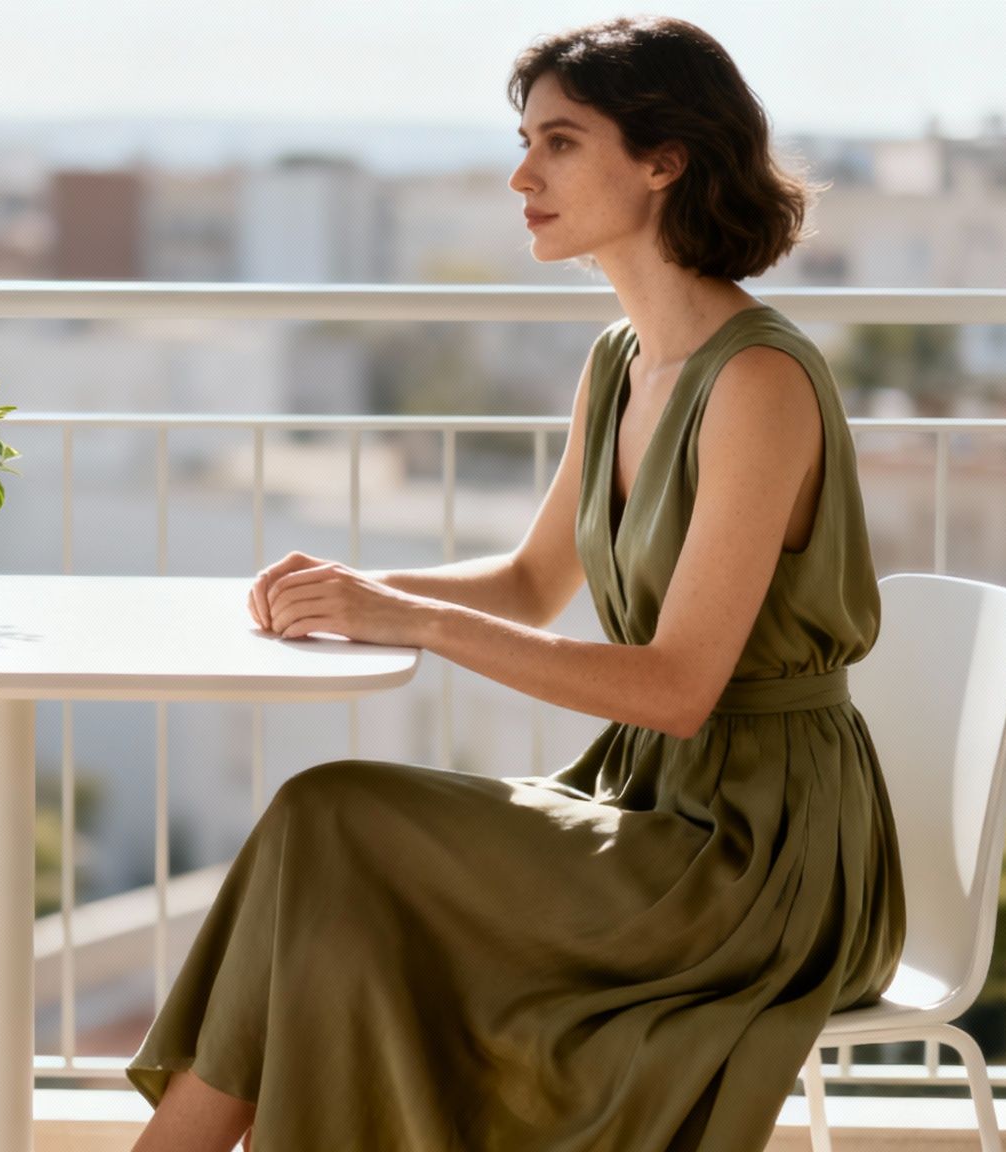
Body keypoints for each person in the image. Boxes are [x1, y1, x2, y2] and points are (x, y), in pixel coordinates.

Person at [125, 16, 905, 1152]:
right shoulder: (619, 360)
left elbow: (678, 687)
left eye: (559, 142)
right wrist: (350, 588)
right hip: (652, 806)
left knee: (329, 818)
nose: (519, 174)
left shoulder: (758, 383)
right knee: (336, 908)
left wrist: (411, 621)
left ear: (663, 160)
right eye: (524, 140)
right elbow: (535, 580)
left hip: (756, 855)